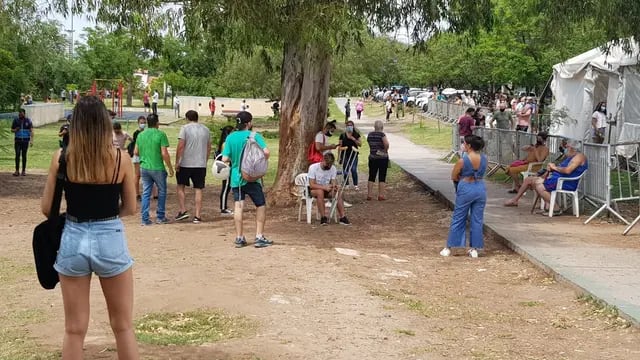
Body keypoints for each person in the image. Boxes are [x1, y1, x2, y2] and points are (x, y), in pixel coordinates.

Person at [40, 95, 139, 359]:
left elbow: (46, 208)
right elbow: (130, 208)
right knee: (123, 326)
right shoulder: (121, 159)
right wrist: (107, 215)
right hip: (110, 237)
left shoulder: (62, 158)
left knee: (74, 330)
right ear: (105, 124)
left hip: (73, 238)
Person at [221, 111, 272, 248]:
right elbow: (266, 152)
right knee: (260, 205)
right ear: (249, 123)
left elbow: (225, 159)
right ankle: (259, 236)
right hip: (252, 178)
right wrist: (260, 162)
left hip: (237, 178)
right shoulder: (254, 136)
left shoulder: (231, 137)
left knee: (238, 206)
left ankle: (239, 237)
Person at [504, 139, 588, 213]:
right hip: (557, 179)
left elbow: (567, 170)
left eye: (567, 147)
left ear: (572, 148)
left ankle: (554, 207)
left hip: (565, 182)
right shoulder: (570, 156)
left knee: (538, 185)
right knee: (529, 180)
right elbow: (562, 168)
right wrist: (552, 168)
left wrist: (554, 168)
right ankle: (545, 204)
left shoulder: (579, 157)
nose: (565, 149)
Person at [440, 135, 487, 258]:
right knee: (477, 219)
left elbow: (454, 175)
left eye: (464, 143)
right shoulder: (484, 158)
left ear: (469, 146)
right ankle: (474, 248)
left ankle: (449, 246)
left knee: (459, 217)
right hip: (480, 188)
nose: (463, 145)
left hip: (466, 187)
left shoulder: (463, 160)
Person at [134, 113, 174, 225]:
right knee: (162, 191)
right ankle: (160, 216)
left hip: (144, 167)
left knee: (146, 193)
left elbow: (136, 152)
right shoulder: (161, 134)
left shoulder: (141, 135)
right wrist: (170, 167)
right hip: (157, 167)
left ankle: (145, 218)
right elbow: (164, 153)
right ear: (157, 123)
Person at [174, 110, 211, 224]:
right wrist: (205, 160)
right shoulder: (206, 129)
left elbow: (181, 146)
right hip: (200, 163)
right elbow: (209, 147)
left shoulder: (185, 128)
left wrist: (177, 162)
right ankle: (197, 215)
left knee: (181, 186)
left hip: (186, 162)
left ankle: (183, 209)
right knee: (198, 189)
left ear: (187, 118)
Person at [308, 153, 351, 225]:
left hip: (326, 189)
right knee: (320, 192)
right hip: (314, 190)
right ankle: (323, 217)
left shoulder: (333, 168)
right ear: (322, 160)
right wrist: (324, 187)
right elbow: (312, 185)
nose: (329, 166)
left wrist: (335, 186)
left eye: (330, 165)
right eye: (327, 164)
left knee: (337, 192)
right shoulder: (313, 167)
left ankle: (342, 217)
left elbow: (333, 181)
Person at [367, 120, 390, 201]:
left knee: (371, 175)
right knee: (382, 176)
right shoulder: (382, 135)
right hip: (382, 158)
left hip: (372, 157)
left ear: (374, 127)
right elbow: (386, 144)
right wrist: (385, 150)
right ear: (382, 127)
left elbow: (369, 143)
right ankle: (381, 195)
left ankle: (369, 194)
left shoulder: (370, 134)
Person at [217, 125, 235, 215]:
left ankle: (224, 206)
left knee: (227, 188)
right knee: (225, 188)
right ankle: (223, 208)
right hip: (226, 168)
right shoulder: (225, 144)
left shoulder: (225, 142)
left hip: (227, 167)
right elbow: (225, 157)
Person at [339, 120, 361, 190]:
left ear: (353, 126)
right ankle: (347, 184)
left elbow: (360, 144)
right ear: (346, 126)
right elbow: (339, 146)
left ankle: (356, 185)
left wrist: (353, 139)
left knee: (353, 169)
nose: (349, 127)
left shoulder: (356, 134)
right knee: (345, 170)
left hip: (354, 154)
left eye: (351, 125)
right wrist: (339, 157)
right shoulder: (342, 135)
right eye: (348, 125)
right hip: (345, 154)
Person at [11, 109, 33, 176]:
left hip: (25, 141)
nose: (20, 114)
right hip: (18, 140)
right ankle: (17, 170)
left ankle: (23, 171)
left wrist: (31, 140)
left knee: (24, 155)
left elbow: (31, 130)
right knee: (17, 155)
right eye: (19, 113)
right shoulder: (16, 120)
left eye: (21, 113)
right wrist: (15, 130)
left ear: (24, 113)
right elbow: (12, 130)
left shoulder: (28, 121)